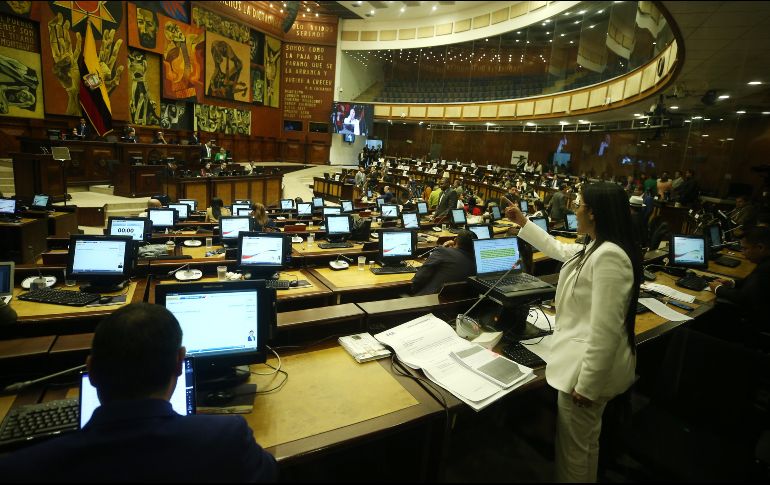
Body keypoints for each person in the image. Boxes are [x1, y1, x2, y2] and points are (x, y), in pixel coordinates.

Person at [0, 303, 277, 482]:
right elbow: (269, 472)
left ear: (91, 371)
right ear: (180, 364)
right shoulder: (227, 437)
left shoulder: (20, 471)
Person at [506, 182, 640, 483]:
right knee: (586, 445)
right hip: (584, 366)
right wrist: (524, 223)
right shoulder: (598, 246)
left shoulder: (610, 256)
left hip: (586, 375)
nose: (574, 209)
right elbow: (562, 250)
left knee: (573, 454)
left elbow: (607, 330)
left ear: (593, 213)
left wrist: (588, 385)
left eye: (579, 204)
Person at [707, 226, 770, 325]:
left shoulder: (766, 269)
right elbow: (750, 282)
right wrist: (732, 283)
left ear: (760, 248)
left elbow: (744, 298)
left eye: (745, 248)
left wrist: (718, 289)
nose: (742, 253)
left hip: (754, 327)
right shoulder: (764, 263)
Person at [411, 229, 477, 296]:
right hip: (463, 303)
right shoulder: (478, 262)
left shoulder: (442, 252)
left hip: (432, 301)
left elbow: (419, 278)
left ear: (455, 240)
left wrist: (443, 248)